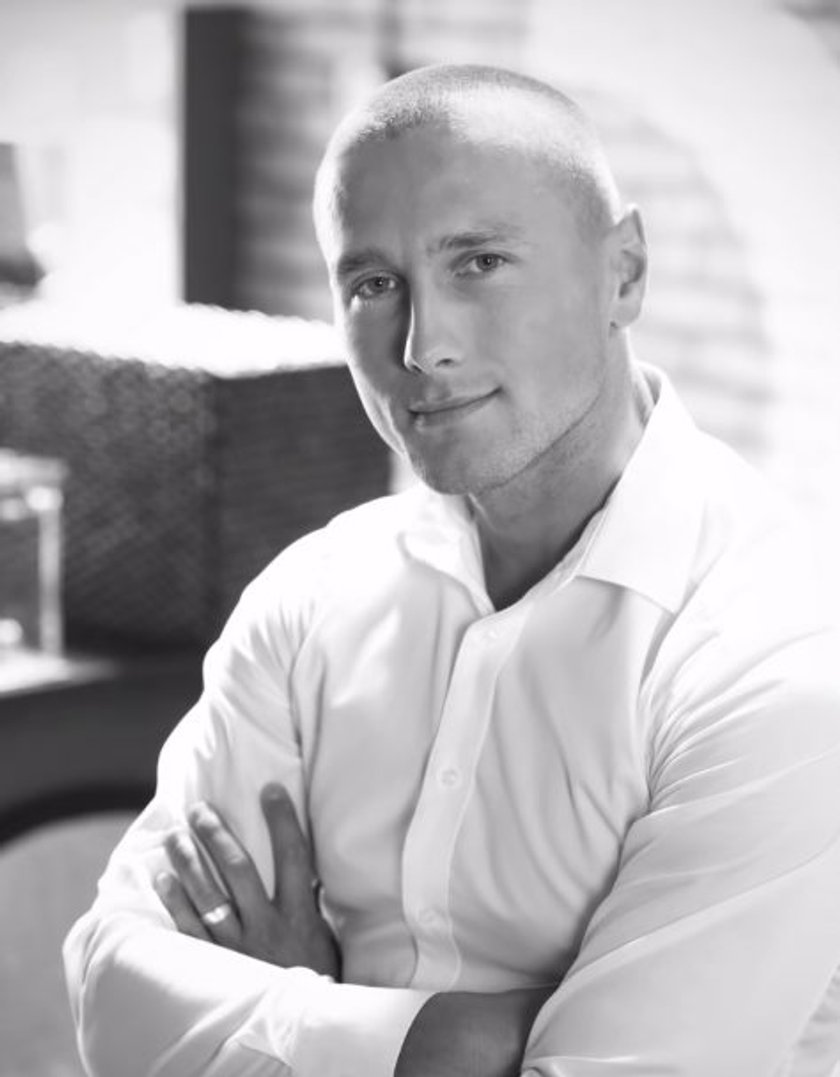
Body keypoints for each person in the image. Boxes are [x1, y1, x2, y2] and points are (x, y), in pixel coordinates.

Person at [63, 64, 840, 1077]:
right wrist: (450, 1040)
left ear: (625, 273)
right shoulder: (311, 599)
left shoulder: (777, 656)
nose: (423, 347)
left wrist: (302, 1015)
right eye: (373, 285)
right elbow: (110, 994)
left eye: (479, 262)